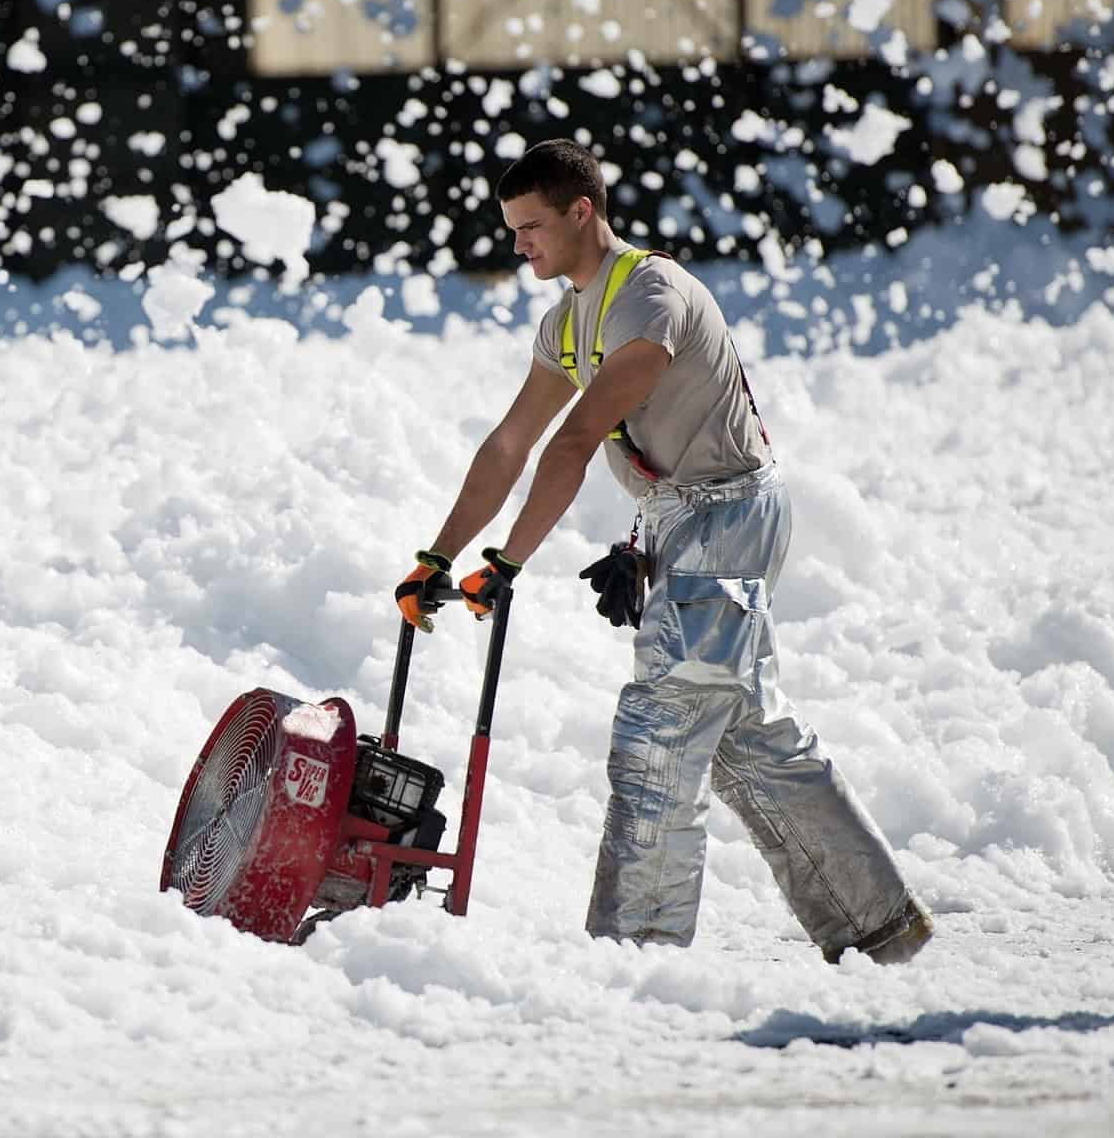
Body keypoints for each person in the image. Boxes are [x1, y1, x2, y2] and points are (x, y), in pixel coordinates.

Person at [395, 139, 932, 963]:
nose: (519, 245)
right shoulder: (566, 321)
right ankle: (879, 923)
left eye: (532, 226)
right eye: (512, 230)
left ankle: (632, 953)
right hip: (683, 519)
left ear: (583, 212)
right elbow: (510, 443)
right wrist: (436, 558)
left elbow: (573, 439)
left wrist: (506, 563)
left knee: (662, 728)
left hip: (729, 515)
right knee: (743, 733)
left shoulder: (649, 296)